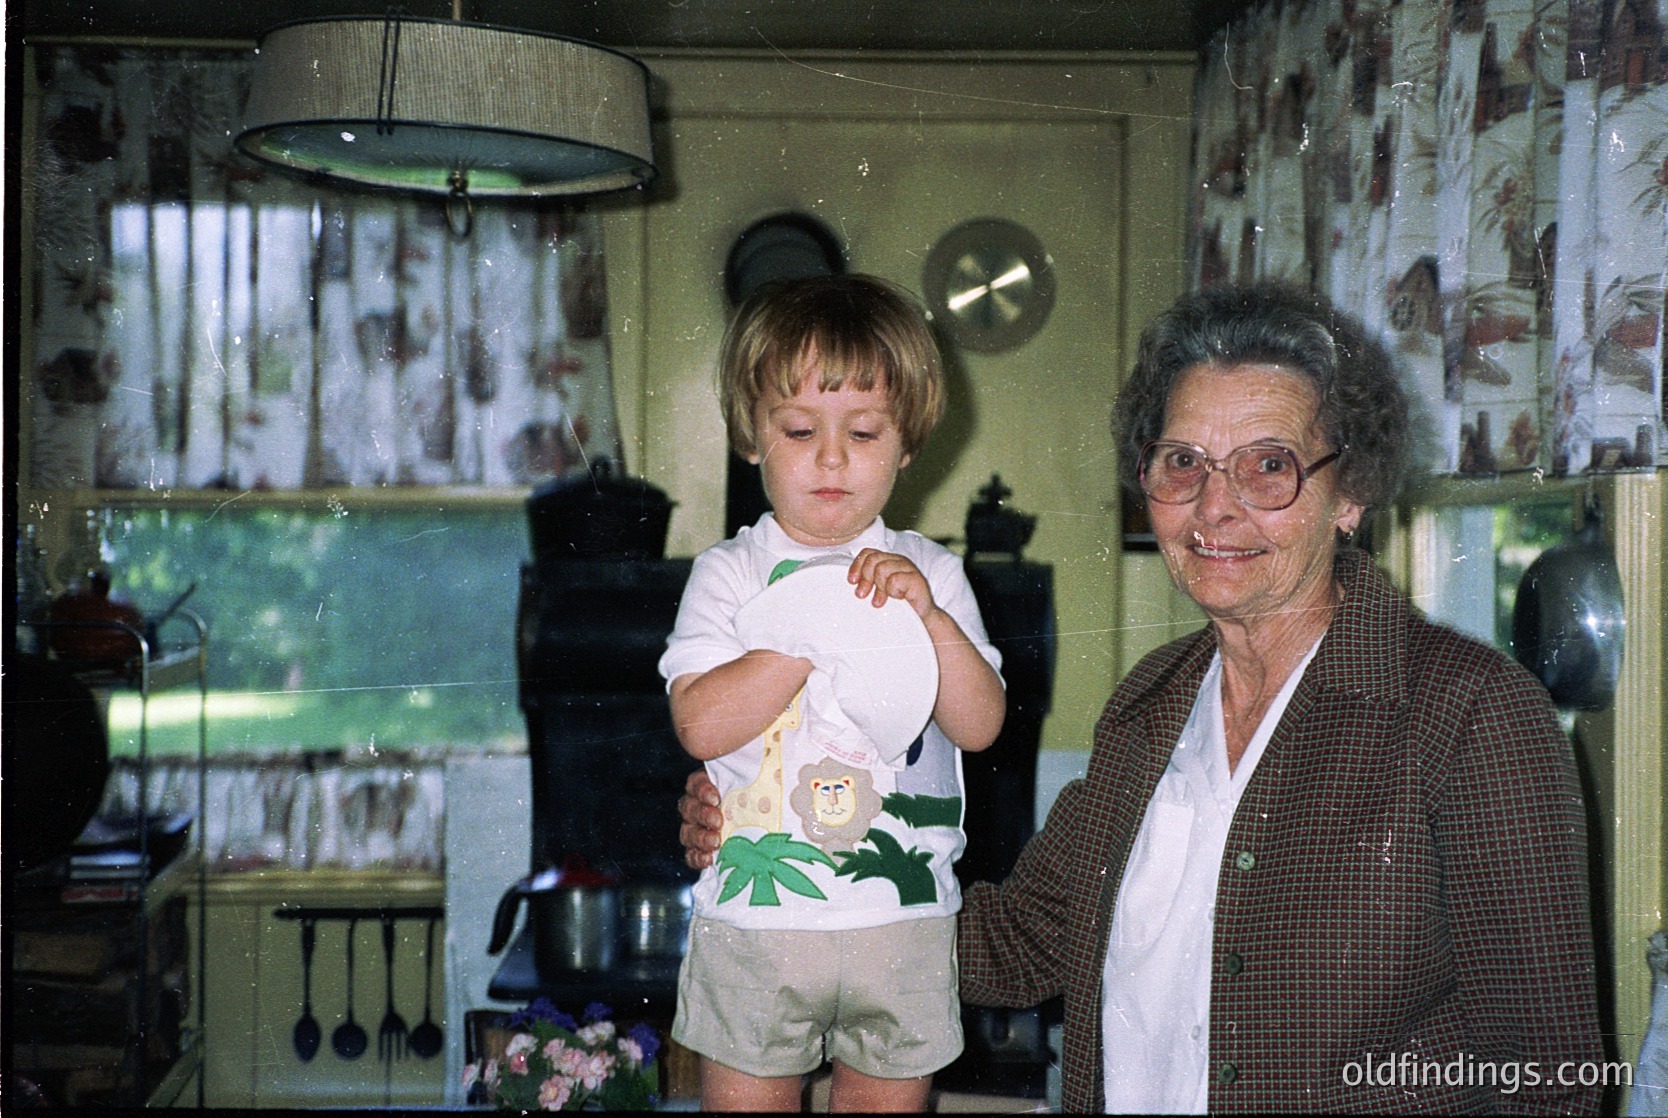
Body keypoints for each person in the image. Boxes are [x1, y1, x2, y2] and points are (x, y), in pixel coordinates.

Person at [680, 281, 1605, 1113]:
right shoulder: (1151, 708)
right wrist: (797, 859)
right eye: (1183, 462)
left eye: (1269, 464)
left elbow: (1547, 1076)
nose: (1216, 506)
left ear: (1351, 492)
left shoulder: (1472, 715)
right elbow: (1021, 940)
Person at [660, 272, 1007, 1112]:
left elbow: (981, 723)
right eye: (798, 429)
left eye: (862, 431)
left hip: (905, 925)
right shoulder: (728, 575)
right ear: (753, 435)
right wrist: (802, 636)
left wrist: (928, 618)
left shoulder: (933, 573)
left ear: (908, 441)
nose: (831, 457)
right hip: (758, 926)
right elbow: (701, 723)